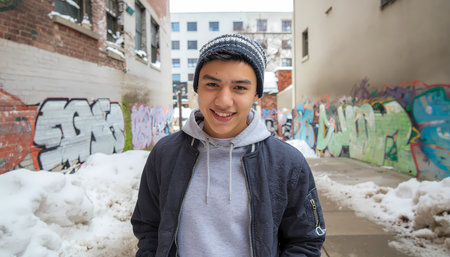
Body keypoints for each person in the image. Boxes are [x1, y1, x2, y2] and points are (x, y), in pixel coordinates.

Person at [131, 34, 326, 257]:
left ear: (256, 94)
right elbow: (148, 228)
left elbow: (306, 240)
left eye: (239, 88)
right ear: (197, 88)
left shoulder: (287, 163)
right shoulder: (165, 154)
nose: (223, 100)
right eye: (212, 84)